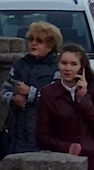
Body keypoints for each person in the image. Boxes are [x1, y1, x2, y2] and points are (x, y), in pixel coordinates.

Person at [36, 44, 94, 170]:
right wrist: (67, 147)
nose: (67, 68)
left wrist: (84, 98)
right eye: (64, 63)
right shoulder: (49, 93)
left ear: (82, 67)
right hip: (64, 160)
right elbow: (42, 136)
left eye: (73, 64)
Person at [1, 21, 61, 156]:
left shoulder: (56, 68)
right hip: (15, 132)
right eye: (31, 39)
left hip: (41, 133)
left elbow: (56, 99)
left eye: (39, 41)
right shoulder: (19, 64)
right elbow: (5, 90)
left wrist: (30, 93)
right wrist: (13, 99)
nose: (33, 43)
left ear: (50, 46)